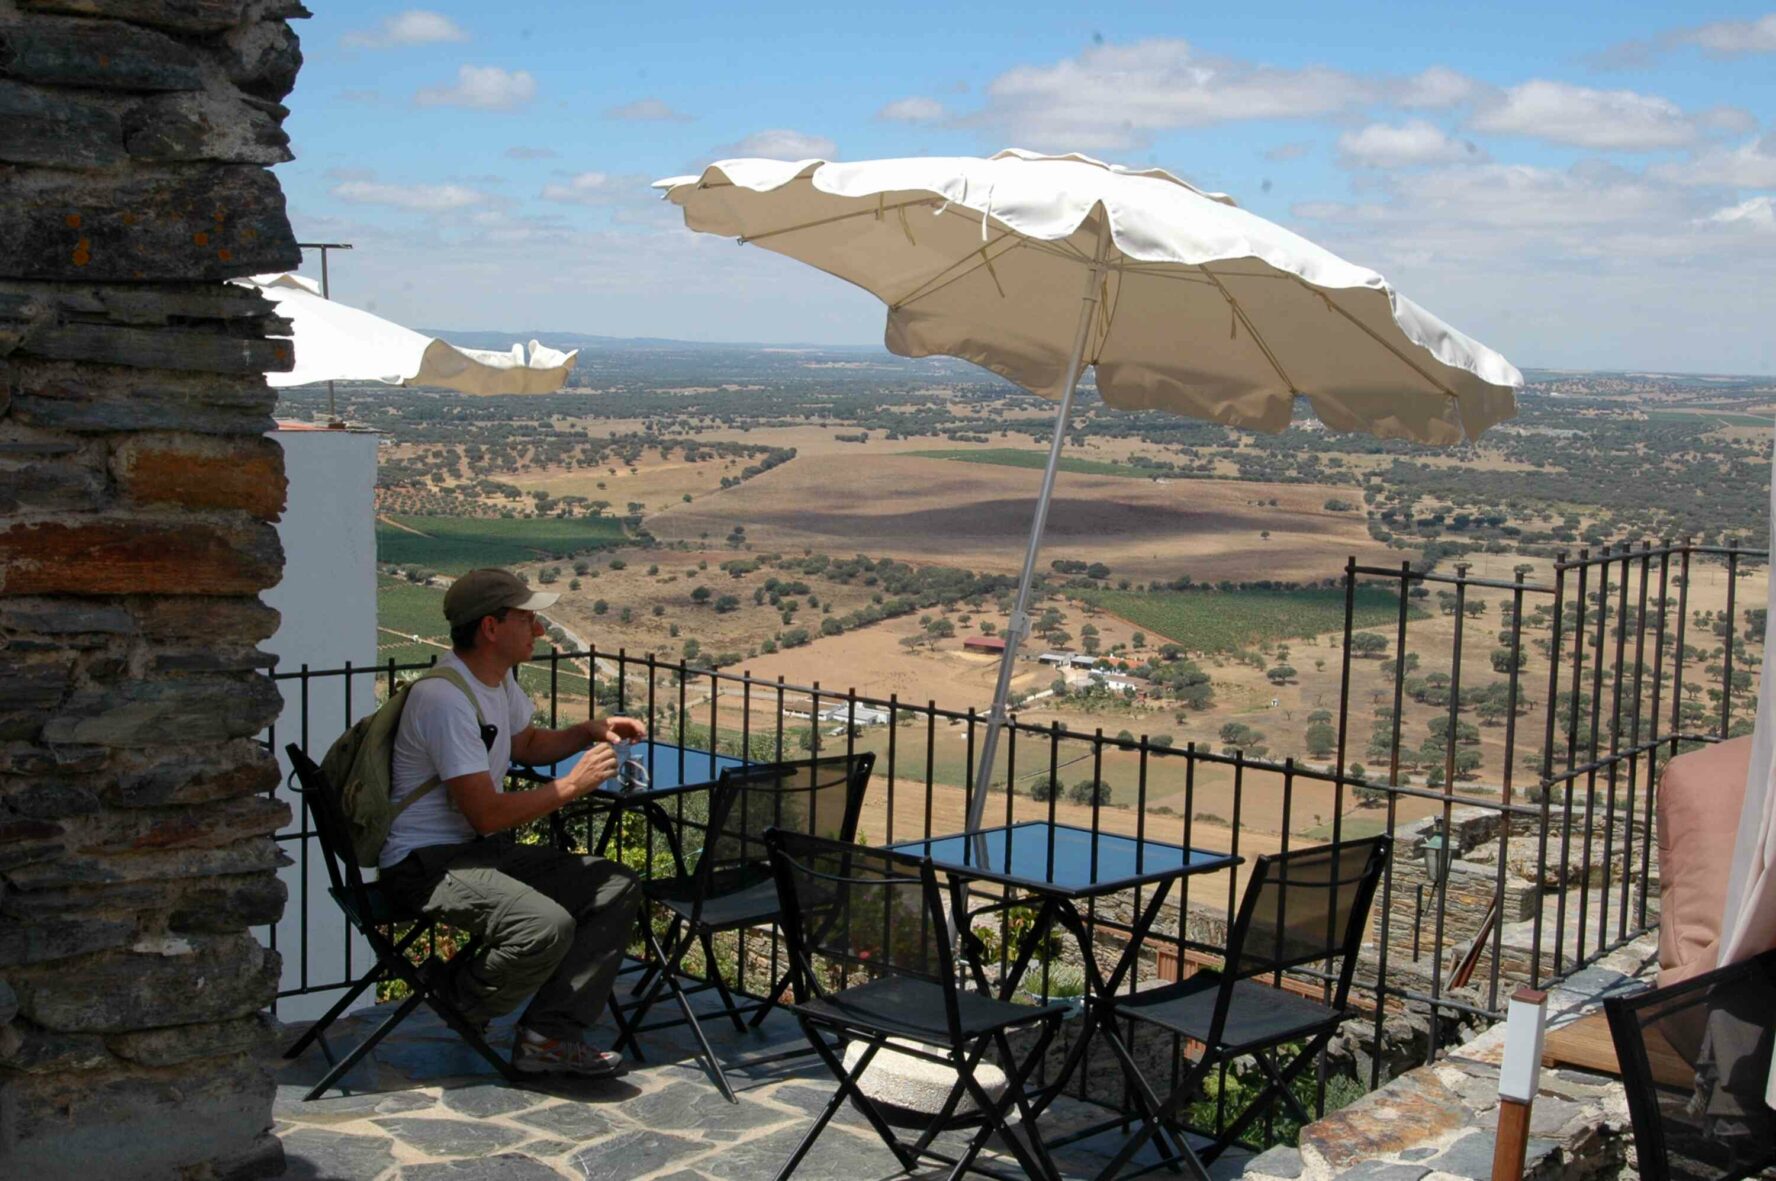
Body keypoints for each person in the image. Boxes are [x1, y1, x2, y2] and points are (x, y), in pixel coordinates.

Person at [378, 567, 646, 1077]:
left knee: (613, 885)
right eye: (528, 619)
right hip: (423, 863)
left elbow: (524, 744)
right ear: (491, 628)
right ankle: (456, 996)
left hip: (475, 852)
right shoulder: (444, 699)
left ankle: (549, 1036)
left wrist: (588, 729)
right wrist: (572, 786)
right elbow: (484, 812)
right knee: (544, 925)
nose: (540, 631)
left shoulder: (496, 684)